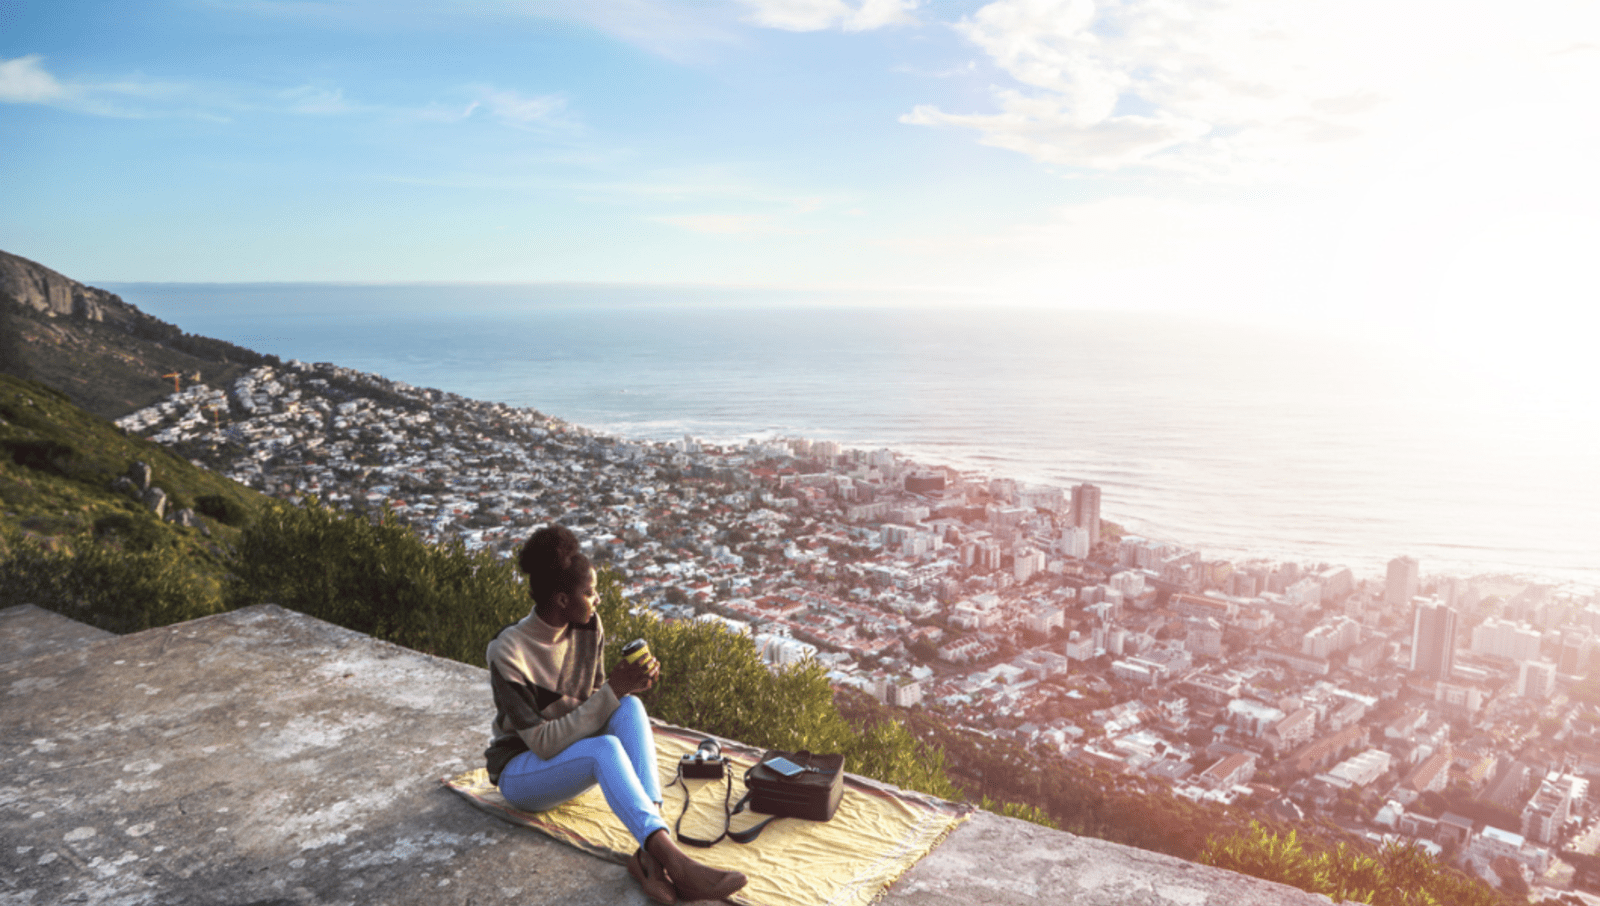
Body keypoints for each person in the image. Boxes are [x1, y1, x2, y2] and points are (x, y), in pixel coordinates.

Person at [485, 525, 746, 905]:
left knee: (630, 706)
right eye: (589, 593)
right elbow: (543, 743)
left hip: (570, 753)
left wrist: (625, 689)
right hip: (522, 772)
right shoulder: (508, 650)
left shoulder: (587, 626)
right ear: (561, 599)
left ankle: (651, 862)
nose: (597, 600)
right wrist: (613, 690)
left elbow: (591, 702)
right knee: (604, 747)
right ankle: (677, 863)